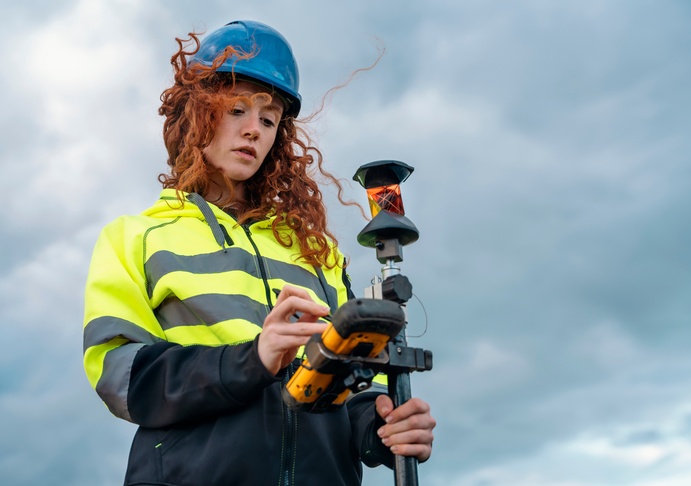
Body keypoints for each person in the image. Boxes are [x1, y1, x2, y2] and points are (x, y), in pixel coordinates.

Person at [82, 20, 435, 485]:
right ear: (196, 114)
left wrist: (382, 428)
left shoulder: (318, 252)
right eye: (236, 110)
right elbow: (121, 379)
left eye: (268, 120)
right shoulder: (136, 236)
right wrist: (253, 358)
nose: (253, 130)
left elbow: (347, 383)